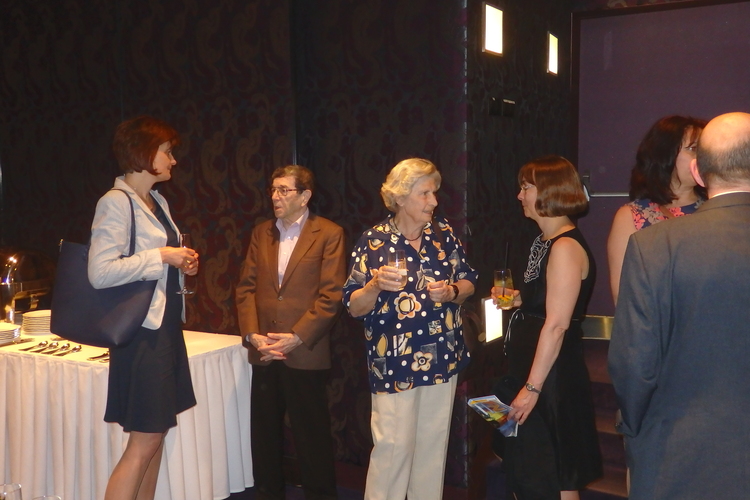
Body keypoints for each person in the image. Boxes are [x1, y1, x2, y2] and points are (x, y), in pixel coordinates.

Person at [608, 112, 750, 499]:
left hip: (681, 444)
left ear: (700, 172)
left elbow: (635, 357)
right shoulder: (641, 227)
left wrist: (635, 425)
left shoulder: (658, 244)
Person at [343, 158, 477, 500]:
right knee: (393, 448)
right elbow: (353, 306)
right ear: (400, 197)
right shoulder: (373, 241)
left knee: (432, 447)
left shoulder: (442, 234)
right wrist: (374, 285)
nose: (434, 201)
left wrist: (452, 291)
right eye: (425, 194)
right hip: (394, 361)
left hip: (442, 356)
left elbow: (469, 280)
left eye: (434, 193)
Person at [88, 116, 199, 500]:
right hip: (141, 335)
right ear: (144, 153)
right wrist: (162, 256)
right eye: (167, 152)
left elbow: (157, 262)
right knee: (144, 440)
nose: (173, 160)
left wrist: (181, 263)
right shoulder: (114, 202)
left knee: (155, 436)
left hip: (163, 329)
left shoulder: (157, 201)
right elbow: (100, 272)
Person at [492, 155, 602, 500]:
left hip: (550, 379)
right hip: (533, 371)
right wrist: (519, 301)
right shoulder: (544, 241)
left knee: (552, 474)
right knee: (529, 469)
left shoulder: (565, 246)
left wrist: (532, 388)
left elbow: (556, 326)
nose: (519, 195)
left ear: (550, 192)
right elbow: (547, 303)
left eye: (526, 187)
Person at [235, 165, 347, 500]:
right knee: (264, 437)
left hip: (304, 351)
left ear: (305, 195)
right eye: (273, 189)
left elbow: (332, 295)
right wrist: (252, 335)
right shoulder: (262, 233)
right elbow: (246, 288)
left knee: (312, 438)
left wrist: (297, 336)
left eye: (284, 190)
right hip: (265, 351)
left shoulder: (328, 233)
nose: (275, 196)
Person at [607, 115, 707, 303]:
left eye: (706, 150)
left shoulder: (717, 208)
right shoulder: (632, 215)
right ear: (665, 153)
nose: (702, 158)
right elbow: (624, 296)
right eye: (693, 149)